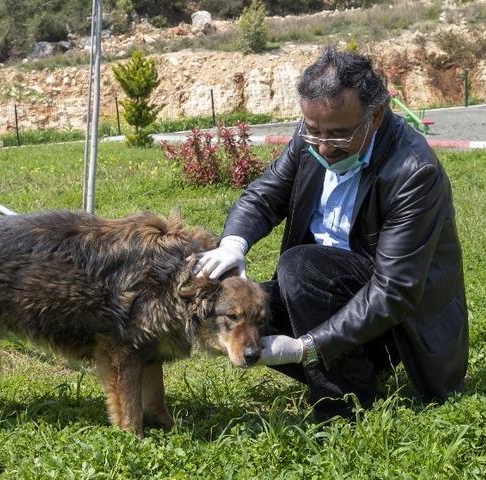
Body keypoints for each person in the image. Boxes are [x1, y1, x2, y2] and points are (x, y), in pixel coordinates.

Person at [195, 48, 468, 422]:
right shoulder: (313, 136)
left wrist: (306, 347)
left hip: (390, 325)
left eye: (338, 135)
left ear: (374, 116)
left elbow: (394, 291)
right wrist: (233, 243)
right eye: (313, 131)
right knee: (249, 315)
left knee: (301, 266)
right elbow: (265, 194)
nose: (322, 146)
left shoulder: (412, 172)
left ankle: (343, 406)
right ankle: (356, 373)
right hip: (318, 297)